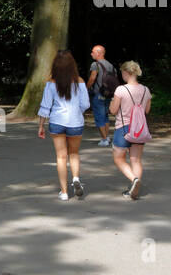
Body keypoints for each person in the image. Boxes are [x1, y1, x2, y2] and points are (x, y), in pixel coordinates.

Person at [37, 50, 90, 201]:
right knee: (74, 153)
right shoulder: (79, 81)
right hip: (75, 122)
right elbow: (85, 104)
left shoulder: (51, 82)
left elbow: (45, 106)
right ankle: (75, 178)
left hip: (57, 121)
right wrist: (76, 112)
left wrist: (41, 126)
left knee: (61, 157)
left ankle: (64, 192)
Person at [109, 60, 151, 198]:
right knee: (136, 160)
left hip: (124, 128)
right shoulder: (146, 90)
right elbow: (147, 110)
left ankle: (134, 180)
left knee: (118, 158)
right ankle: (134, 189)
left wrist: (111, 104)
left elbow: (114, 110)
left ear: (126, 73)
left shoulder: (121, 89)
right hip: (139, 128)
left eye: (122, 72)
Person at [87, 45, 117, 146]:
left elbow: (92, 78)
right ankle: (106, 137)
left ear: (99, 53)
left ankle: (104, 139)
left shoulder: (95, 64)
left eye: (93, 52)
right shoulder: (111, 66)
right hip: (108, 94)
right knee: (105, 116)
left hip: (98, 94)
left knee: (99, 116)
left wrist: (86, 88)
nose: (91, 54)